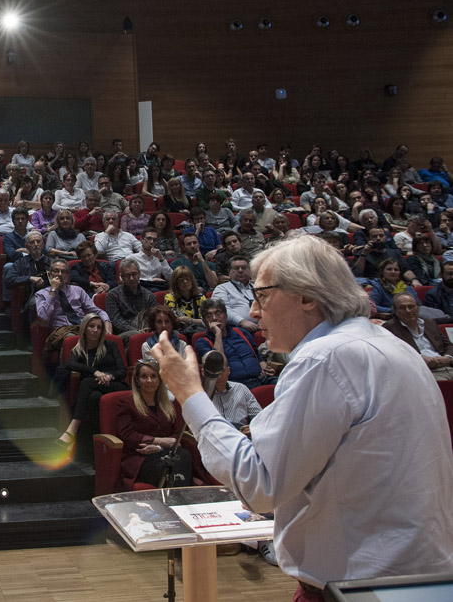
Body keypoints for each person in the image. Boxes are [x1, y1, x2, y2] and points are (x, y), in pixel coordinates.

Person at [156, 234, 453, 600]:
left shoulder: (325, 358)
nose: (252, 311)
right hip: (421, 582)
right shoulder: (390, 345)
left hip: (357, 586)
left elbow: (260, 483)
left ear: (308, 296)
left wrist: (190, 394)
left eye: (262, 295)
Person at [54, 314, 127, 460]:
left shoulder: (110, 345)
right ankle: (95, 450)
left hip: (115, 385)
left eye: (99, 327)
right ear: (84, 328)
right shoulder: (79, 349)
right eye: (91, 326)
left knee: (87, 382)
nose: (95, 330)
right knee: (94, 397)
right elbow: (69, 364)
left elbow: (122, 371)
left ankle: (71, 430)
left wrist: (108, 376)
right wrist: (95, 372)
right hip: (92, 390)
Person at [114, 356, 191, 490]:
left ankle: (179, 501)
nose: (149, 381)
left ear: (160, 380)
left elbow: (176, 433)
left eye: (153, 376)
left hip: (164, 452)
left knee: (183, 456)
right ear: (137, 380)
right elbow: (127, 434)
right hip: (139, 457)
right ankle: (177, 500)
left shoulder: (168, 403)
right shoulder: (126, 402)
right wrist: (159, 441)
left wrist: (159, 447)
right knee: (171, 466)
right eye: (144, 376)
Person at [381, 293, 453, 380]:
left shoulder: (429, 323)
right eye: (402, 308)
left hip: (445, 365)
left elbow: (448, 345)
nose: (408, 311)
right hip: (421, 371)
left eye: (411, 306)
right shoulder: (390, 328)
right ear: (396, 311)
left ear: (417, 308)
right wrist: (419, 358)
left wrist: (448, 357)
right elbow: (393, 353)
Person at [106, 261, 157, 338]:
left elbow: (154, 317)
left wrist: (147, 330)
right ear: (122, 277)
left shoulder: (149, 296)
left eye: (134, 274)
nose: (131, 278)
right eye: (127, 275)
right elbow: (116, 321)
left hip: (146, 329)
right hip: (125, 333)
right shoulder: (113, 295)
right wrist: (137, 331)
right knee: (134, 334)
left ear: (139, 274)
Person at [212, 255, 261, 332]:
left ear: (249, 270)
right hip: (237, 329)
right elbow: (222, 310)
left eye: (244, 268)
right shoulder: (222, 288)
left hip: (264, 325)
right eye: (236, 268)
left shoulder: (258, 287)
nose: (240, 270)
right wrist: (241, 321)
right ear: (229, 272)